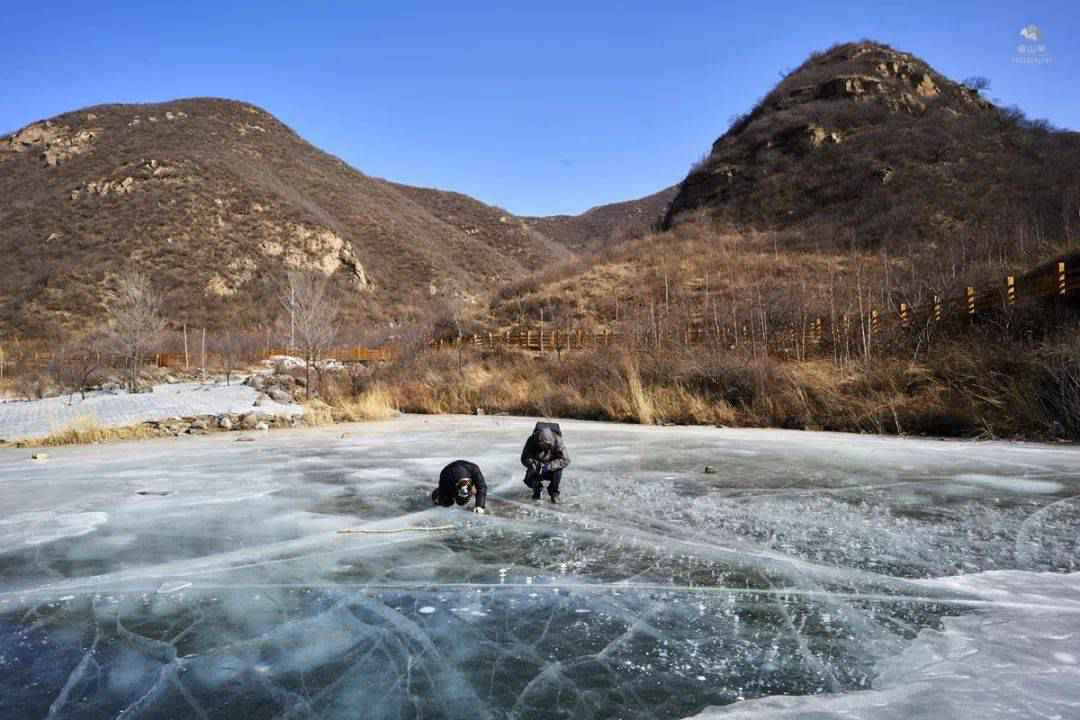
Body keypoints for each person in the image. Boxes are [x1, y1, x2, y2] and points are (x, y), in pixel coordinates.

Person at [520, 422, 570, 502]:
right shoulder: (531, 440)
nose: (543, 447)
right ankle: (537, 488)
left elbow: (565, 459)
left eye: (546, 445)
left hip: (551, 468)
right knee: (528, 481)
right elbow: (524, 457)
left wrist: (548, 466)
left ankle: (554, 493)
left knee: (558, 471)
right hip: (536, 467)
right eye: (541, 445)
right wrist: (532, 463)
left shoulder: (557, 441)